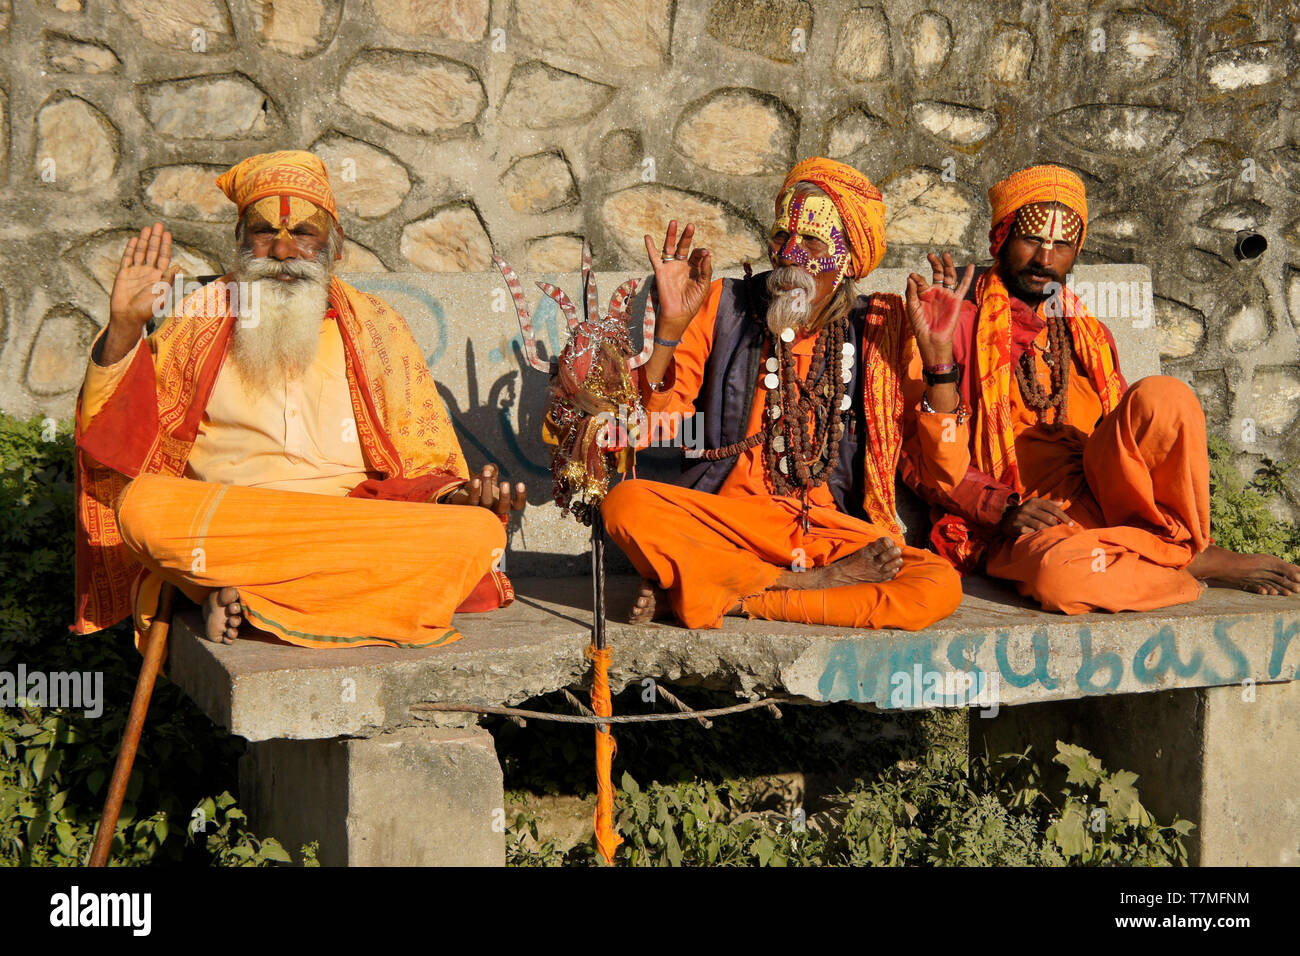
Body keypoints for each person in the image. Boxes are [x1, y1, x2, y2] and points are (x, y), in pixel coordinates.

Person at [74, 150, 526, 649]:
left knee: (476, 533)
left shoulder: (379, 328)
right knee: (143, 507)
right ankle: (331, 598)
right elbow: (119, 443)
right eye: (265, 232)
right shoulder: (198, 318)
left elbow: (423, 464)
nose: (283, 251)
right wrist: (123, 329)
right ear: (240, 242)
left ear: (336, 247)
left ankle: (247, 595)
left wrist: (457, 496)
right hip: (233, 520)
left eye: (304, 234)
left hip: (350, 522)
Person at [901, 163, 1300, 613]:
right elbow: (924, 465)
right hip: (1035, 519)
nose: (1044, 260)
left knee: (1165, 396)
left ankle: (1167, 545)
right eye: (1031, 239)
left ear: (1076, 251)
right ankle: (1180, 560)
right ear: (1002, 237)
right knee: (1059, 579)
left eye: (1062, 245)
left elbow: (1131, 436)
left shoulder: (1085, 331)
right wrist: (1002, 508)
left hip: (1109, 494)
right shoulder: (957, 321)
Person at [601, 157, 963, 630]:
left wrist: (938, 363)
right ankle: (798, 584)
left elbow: (946, 473)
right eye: (781, 236)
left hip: (821, 530)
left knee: (938, 585)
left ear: (850, 258)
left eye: (812, 241)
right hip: (723, 522)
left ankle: (731, 596)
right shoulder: (722, 304)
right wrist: (668, 331)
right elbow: (644, 433)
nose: (791, 253)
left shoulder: (881, 330)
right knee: (626, 504)